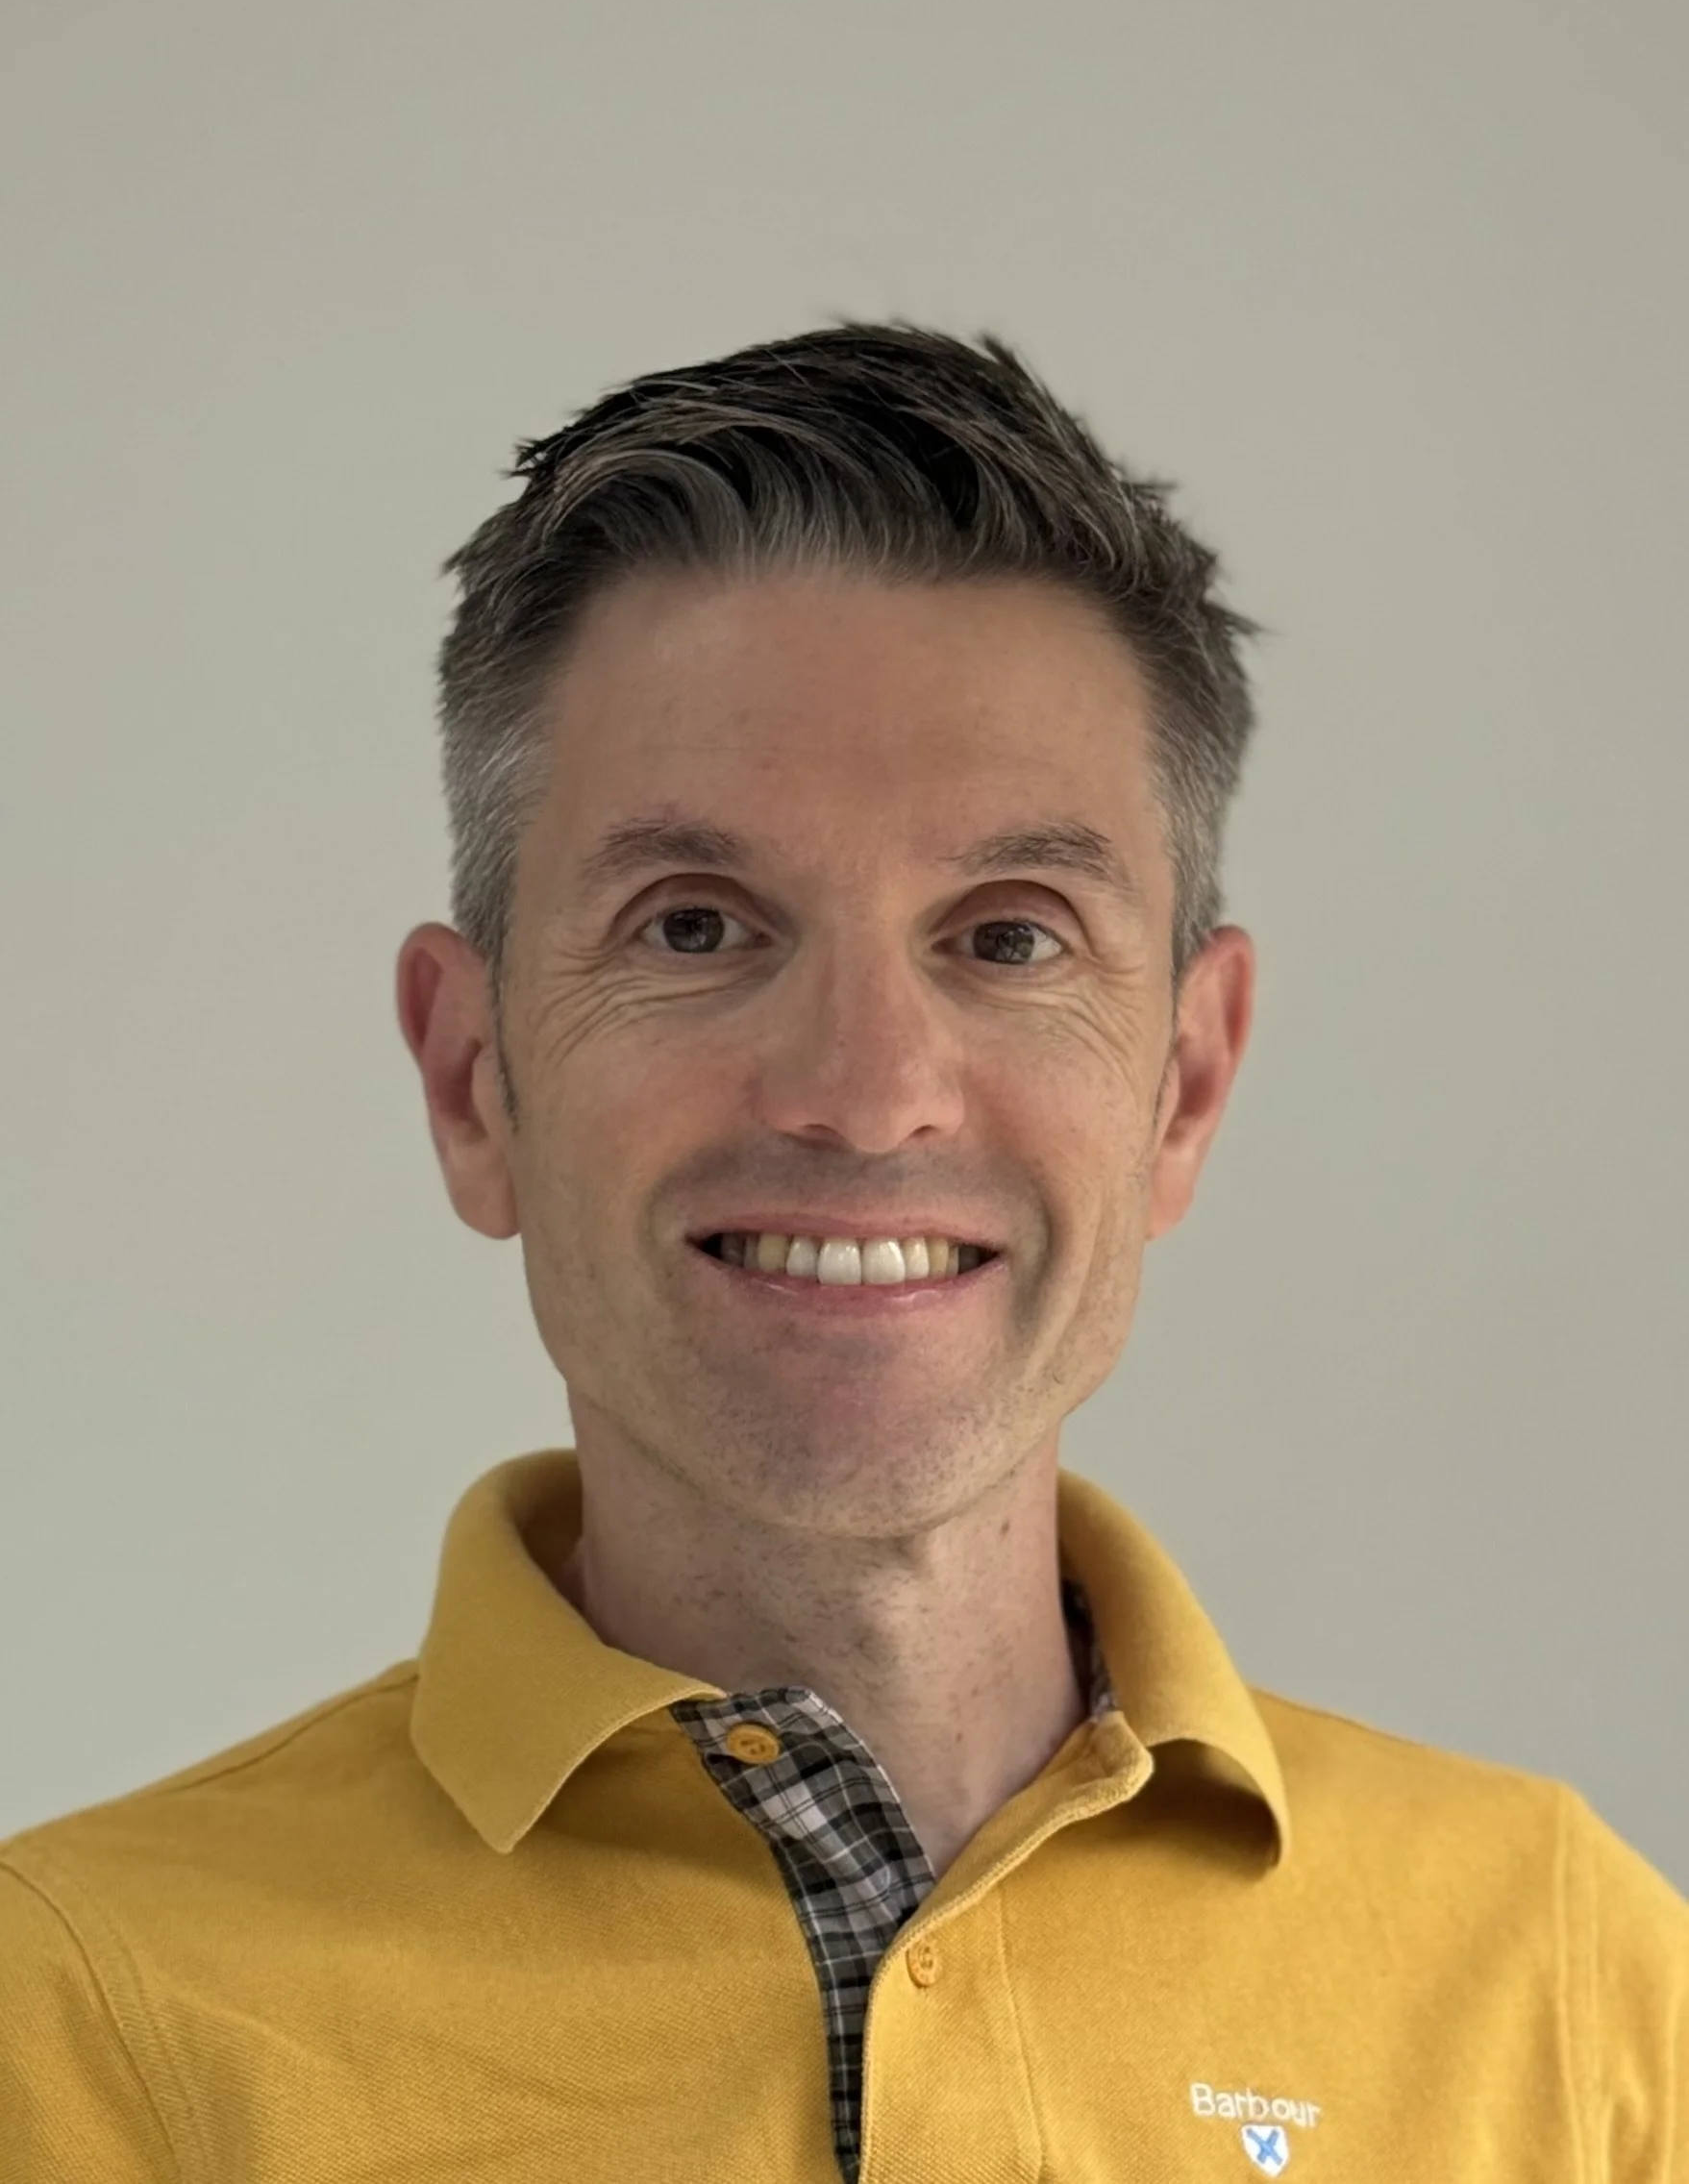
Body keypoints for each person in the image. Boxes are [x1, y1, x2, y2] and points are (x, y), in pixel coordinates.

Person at [3, 322, 1683, 2183]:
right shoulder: (68, 2025)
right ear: (475, 1078)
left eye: (1012, 936)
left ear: (1185, 1085)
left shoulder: (1576, 1990)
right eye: (701, 925)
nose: (867, 1093)